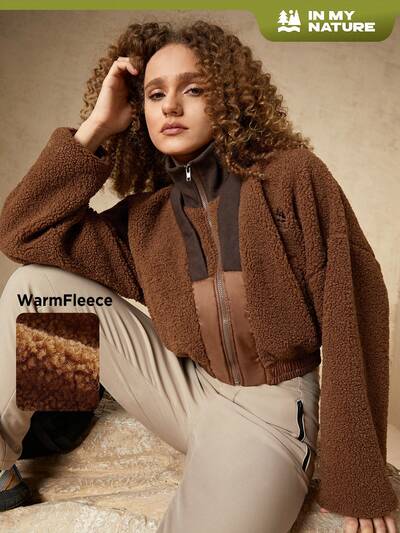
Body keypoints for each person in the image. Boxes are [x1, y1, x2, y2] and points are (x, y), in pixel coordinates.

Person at [0, 19, 398, 533]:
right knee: (38, 286)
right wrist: (96, 127)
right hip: (181, 388)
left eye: (193, 89)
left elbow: (354, 309)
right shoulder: (149, 218)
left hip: (268, 409)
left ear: (228, 99)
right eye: (154, 94)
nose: (170, 106)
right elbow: (23, 232)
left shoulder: (291, 177)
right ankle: (19, 455)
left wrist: (359, 479)